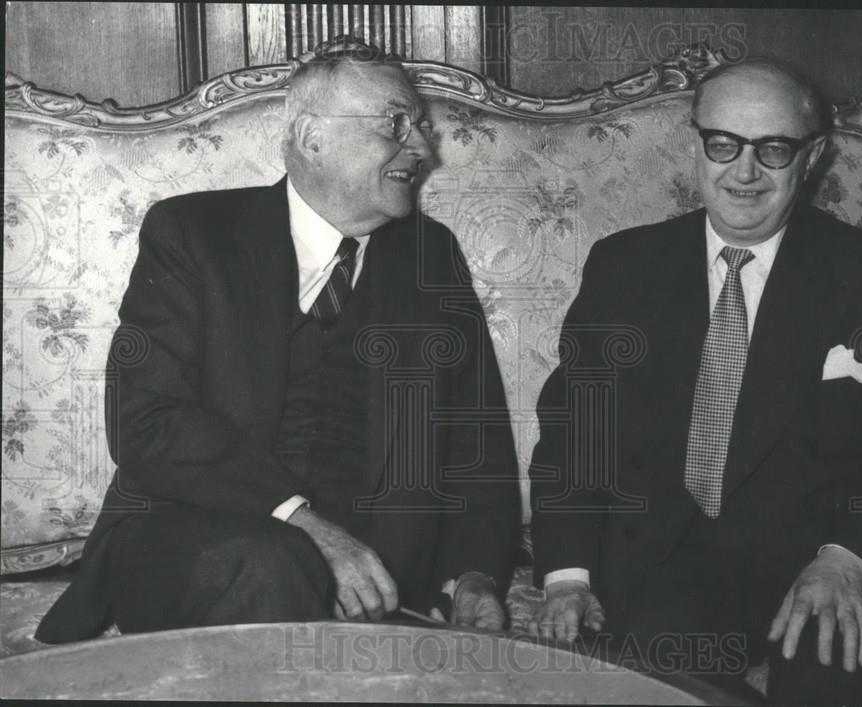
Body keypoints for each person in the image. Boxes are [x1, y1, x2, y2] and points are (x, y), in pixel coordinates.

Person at [36, 37, 520, 642]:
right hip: (194, 537)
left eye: (420, 125)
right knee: (269, 564)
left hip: (374, 571)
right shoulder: (193, 233)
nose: (422, 147)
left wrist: (472, 575)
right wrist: (307, 525)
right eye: (396, 123)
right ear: (312, 138)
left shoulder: (432, 255)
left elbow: (477, 441)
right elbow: (147, 422)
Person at [527, 57, 862, 704]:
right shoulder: (626, 268)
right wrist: (567, 574)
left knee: (826, 674)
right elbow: (575, 434)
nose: (744, 171)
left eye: (774, 150)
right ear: (697, 144)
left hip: (828, 557)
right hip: (676, 566)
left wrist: (849, 559)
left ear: (812, 158)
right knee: (654, 676)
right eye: (724, 144)